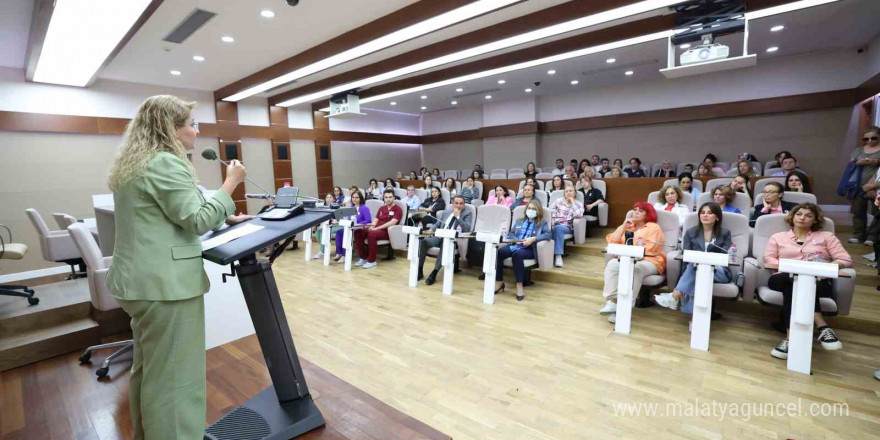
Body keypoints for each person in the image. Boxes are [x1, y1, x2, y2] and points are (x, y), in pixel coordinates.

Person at [106, 95, 251, 440]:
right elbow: (197, 220)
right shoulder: (166, 163)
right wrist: (231, 183)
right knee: (175, 381)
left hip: (140, 283)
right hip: (165, 287)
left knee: (151, 373)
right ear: (170, 128)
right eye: (192, 124)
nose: (197, 132)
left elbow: (166, 213)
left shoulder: (136, 163)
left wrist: (223, 212)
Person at [764, 203, 851, 359]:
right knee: (793, 280)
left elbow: (844, 259)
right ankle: (823, 326)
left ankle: (790, 339)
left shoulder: (826, 237)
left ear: (815, 220)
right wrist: (792, 267)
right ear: (792, 216)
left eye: (808, 215)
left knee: (794, 286)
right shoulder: (778, 237)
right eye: (799, 214)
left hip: (818, 280)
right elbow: (769, 259)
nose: (802, 218)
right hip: (782, 276)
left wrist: (823, 269)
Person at [654, 202, 732, 317]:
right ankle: (695, 319)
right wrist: (698, 262)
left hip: (718, 271)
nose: (705, 215)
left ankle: (675, 296)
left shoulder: (724, 233)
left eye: (710, 213)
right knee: (697, 270)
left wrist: (706, 262)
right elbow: (686, 253)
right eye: (702, 212)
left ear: (717, 217)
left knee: (696, 269)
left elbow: (725, 253)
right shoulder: (691, 232)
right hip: (695, 268)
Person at [599, 202, 666, 323]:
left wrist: (627, 254)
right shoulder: (629, 226)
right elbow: (613, 241)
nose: (636, 212)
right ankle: (613, 300)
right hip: (627, 258)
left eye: (640, 211)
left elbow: (651, 248)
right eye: (635, 210)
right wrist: (624, 225)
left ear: (648, 214)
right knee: (612, 264)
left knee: (635, 269)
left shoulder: (653, 227)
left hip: (650, 260)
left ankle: (624, 309)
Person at [494, 199, 551, 301]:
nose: (531, 210)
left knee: (517, 255)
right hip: (516, 245)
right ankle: (499, 281)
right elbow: (511, 234)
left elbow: (548, 234)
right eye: (529, 208)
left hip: (529, 249)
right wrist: (516, 241)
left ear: (538, 211)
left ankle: (519, 285)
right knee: (499, 252)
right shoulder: (519, 221)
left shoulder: (542, 223)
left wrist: (533, 239)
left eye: (534, 209)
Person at [417, 195, 473, 285]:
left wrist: (458, 217)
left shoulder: (467, 213)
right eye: (456, 203)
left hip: (452, 240)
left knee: (445, 244)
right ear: (452, 203)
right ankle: (419, 270)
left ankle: (434, 273)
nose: (458, 206)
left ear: (464, 205)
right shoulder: (447, 212)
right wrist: (431, 230)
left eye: (461, 203)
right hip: (439, 237)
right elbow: (438, 223)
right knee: (424, 242)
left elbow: (466, 229)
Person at [354, 190, 402, 269]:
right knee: (358, 232)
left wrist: (376, 228)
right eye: (386, 197)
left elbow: (393, 222)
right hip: (376, 228)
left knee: (371, 234)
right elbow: (376, 220)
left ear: (394, 198)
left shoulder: (398, 209)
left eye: (390, 197)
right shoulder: (382, 208)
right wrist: (371, 227)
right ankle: (363, 257)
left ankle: (372, 261)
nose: (388, 199)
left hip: (388, 231)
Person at [849, 129, 880, 245]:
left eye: (873, 138)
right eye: (866, 139)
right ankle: (858, 234)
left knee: (877, 212)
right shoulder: (859, 150)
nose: (870, 141)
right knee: (858, 210)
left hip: (876, 186)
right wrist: (858, 162)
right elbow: (850, 165)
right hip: (858, 185)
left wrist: (877, 161)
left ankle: (873, 235)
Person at [331, 190, 371, 263]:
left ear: (360, 198)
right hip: (350, 227)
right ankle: (339, 253)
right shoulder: (350, 207)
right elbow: (347, 218)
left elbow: (368, 220)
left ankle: (344, 255)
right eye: (353, 197)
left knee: (346, 233)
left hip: (358, 227)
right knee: (339, 232)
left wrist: (357, 223)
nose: (354, 199)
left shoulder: (364, 208)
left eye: (357, 197)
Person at [551, 186, 584, 267]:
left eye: (570, 191)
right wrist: (551, 221)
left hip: (567, 227)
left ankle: (558, 256)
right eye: (566, 191)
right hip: (554, 224)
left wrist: (573, 202)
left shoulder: (578, 204)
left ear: (575, 193)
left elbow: (578, 215)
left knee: (558, 229)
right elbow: (551, 212)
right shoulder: (558, 201)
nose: (568, 193)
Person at [314, 192, 345, 260]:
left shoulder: (338, 207)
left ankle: (323, 252)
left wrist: (335, 221)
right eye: (327, 197)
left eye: (330, 197)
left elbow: (341, 220)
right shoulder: (324, 208)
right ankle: (323, 249)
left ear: (334, 199)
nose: (328, 199)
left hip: (338, 226)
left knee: (323, 231)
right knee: (318, 233)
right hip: (328, 226)